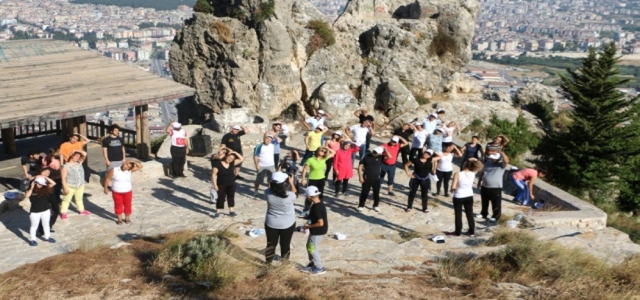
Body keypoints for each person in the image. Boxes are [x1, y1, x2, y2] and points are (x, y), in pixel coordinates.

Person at [264, 172, 297, 265]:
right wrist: (291, 182)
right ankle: (284, 264)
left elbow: (269, 187)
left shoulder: (267, 193)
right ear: (283, 183)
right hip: (287, 224)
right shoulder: (289, 195)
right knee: (285, 245)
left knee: (270, 245)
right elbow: (295, 192)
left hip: (271, 223)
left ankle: (268, 264)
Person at [449, 159, 483, 237]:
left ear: (464, 165)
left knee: (458, 214)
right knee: (469, 213)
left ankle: (457, 232)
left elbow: (453, 186)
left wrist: (452, 189)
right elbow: (479, 166)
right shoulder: (473, 173)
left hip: (459, 196)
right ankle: (471, 231)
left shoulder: (457, 174)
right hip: (469, 196)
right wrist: (475, 159)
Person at [103, 160, 143, 225]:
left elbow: (140, 166)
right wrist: (105, 188)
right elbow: (108, 178)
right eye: (126, 165)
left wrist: (133, 161)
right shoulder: (114, 170)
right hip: (117, 192)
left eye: (128, 167)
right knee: (118, 205)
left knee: (128, 205)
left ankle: (127, 218)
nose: (126, 167)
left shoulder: (129, 171)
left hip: (127, 191)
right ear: (124, 163)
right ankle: (119, 219)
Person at [302, 186, 328, 275]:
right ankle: (313, 263)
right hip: (316, 230)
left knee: (312, 248)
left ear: (309, 197)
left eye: (306, 196)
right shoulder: (318, 203)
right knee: (309, 246)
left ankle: (319, 267)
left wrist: (308, 226)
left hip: (318, 231)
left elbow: (320, 223)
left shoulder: (317, 208)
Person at [24, 176, 57, 246]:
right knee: (34, 226)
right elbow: (27, 195)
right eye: (39, 184)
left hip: (46, 210)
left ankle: (47, 237)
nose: (41, 185)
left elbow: (53, 183)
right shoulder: (30, 190)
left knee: (46, 224)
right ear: (35, 183)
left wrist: (44, 176)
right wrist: (32, 187)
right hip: (35, 212)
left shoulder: (45, 189)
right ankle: (33, 239)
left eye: (42, 184)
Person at [477, 151, 509, 222]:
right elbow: (483, 172)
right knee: (484, 201)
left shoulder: (501, 165)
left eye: (494, 158)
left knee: (496, 203)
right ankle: (483, 213)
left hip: (495, 188)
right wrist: (479, 181)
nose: (493, 159)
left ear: (499, 159)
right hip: (485, 186)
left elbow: (506, 161)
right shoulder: (488, 162)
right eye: (492, 158)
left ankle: (496, 216)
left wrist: (502, 153)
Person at [301, 146, 336, 212]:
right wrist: (303, 179)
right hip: (312, 179)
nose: (323, 152)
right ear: (317, 150)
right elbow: (305, 169)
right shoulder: (310, 159)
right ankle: (306, 210)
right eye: (321, 150)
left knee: (320, 194)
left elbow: (333, 152)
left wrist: (326, 147)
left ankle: (319, 208)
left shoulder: (324, 158)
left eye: (324, 152)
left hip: (321, 179)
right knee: (309, 195)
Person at [211, 150, 244, 218]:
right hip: (221, 184)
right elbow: (213, 175)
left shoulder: (232, 163)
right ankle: (218, 211)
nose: (230, 159)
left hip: (231, 183)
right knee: (221, 198)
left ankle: (231, 211)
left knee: (231, 197)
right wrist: (215, 185)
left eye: (232, 159)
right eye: (229, 157)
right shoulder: (218, 164)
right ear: (226, 156)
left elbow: (241, 159)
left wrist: (234, 152)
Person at [357, 147, 390, 212]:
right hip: (366, 177)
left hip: (376, 178)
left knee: (376, 193)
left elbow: (389, 156)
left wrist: (385, 149)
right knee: (364, 192)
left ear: (379, 153)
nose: (374, 153)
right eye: (374, 151)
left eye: (376, 152)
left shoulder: (381, 157)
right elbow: (360, 166)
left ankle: (375, 205)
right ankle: (361, 205)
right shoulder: (366, 156)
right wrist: (360, 177)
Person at [60, 150, 91, 219]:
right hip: (70, 186)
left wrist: (77, 150)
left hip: (80, 185)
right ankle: (63, 212)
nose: (77, 158)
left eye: (79, 156)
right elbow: (63, 178)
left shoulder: (79, 163)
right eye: (76, 156)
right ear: (72, 156)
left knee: (79, 199)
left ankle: (81, 210)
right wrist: (65, 188)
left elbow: (85, 154)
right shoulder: (66, 166)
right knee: (66, 200)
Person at [35, 168, 60, 237]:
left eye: (48, 173)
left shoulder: (47, 179)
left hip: (51, 196)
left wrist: (45, 177)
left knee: (56, 211)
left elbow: (53, 183)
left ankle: (49, 226)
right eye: (45, 172)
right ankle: (40, 230)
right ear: (41, 171)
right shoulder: (37, 179)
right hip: (42, 198)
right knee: (42, 213)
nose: (47, 174)